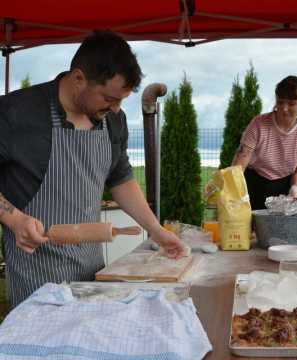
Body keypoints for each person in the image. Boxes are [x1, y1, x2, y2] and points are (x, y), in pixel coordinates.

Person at [0, 31, 187, 307]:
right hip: (36, 279)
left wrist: (155, 230)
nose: (115, 109)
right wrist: (15, 220)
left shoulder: (112, 121)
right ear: (78, 79)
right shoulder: (16, 113)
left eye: (121, 101)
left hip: (92, 273)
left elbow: (121, 178)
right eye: (108, 99)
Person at [232, 75, 297, 210]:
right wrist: (232, 188)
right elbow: (240, 161)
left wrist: (295, 188)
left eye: (291, 103)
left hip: (283, 189)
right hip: (252, 183)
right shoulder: (258, 124)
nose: (284, 108)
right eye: (280, 102)